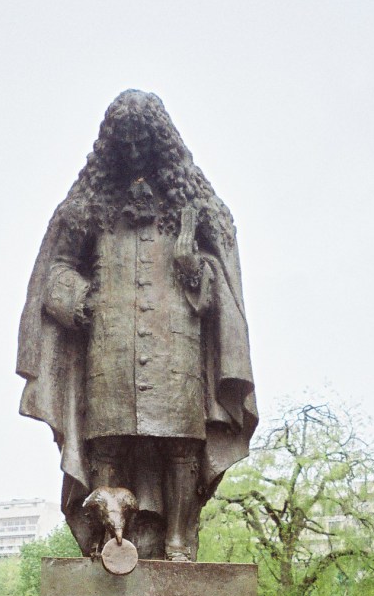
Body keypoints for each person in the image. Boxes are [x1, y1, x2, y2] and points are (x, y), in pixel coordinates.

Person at [16, 90, 257, 561]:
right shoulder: (87, 207)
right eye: (124, 145)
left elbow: (220, 283)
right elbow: (56, 269)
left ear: (159, 145)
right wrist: (80, 300)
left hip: (177, 346)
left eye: (141, 144)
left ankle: (179, 543)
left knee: (182, 447)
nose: (133, 155)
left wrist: (193, 267)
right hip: (108, 346)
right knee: (107, 445)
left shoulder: (196, 206)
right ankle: (110, 543)